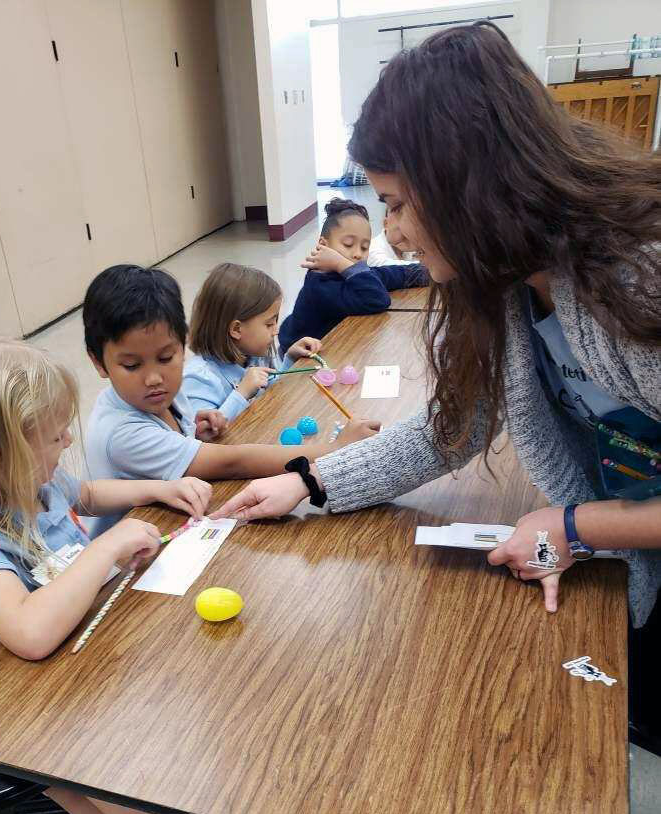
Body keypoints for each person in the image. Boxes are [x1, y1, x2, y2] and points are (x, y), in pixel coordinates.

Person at [212, 24, 661, 745]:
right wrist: (310, 481)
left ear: (466, 184)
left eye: (395, 202)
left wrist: (578, 526)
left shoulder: (637, 275)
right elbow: (455, 424)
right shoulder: (507, 279)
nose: (390, 231)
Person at [0, 335, 210, 814]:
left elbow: (90, 494)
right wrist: (106, 551)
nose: (67, 441)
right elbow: (30, 634)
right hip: (46, 699)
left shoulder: (33, 482)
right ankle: (42, 787)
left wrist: (156, 489)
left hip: (94, 658)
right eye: (53, 438)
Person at [83, 265, 378, 534]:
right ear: (98, 362)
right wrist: (336, 449)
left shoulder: (163, 395)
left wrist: (193, 433)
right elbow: (233, 462)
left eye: (165, 357)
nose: (154, 378)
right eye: (132, 366)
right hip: (134, 560)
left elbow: (183, 447)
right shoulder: (122, 432)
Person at [277, 197, 428, 356]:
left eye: (364, 248)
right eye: (348, 244)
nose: (357, 254)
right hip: (297, 356)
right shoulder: (319, 285)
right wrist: (342, 264)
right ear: (323, 244)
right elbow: (376, 299)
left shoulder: (350, 272)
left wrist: (425, 272)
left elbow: (388, 275)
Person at [183, 263, 321, 421]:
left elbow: (271, 393)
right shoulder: (198, 379)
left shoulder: (253, 353)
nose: (276, 330)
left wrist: (289, 359)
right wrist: (242, 393)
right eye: (269, 324)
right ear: (236, 329)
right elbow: (204, 438)